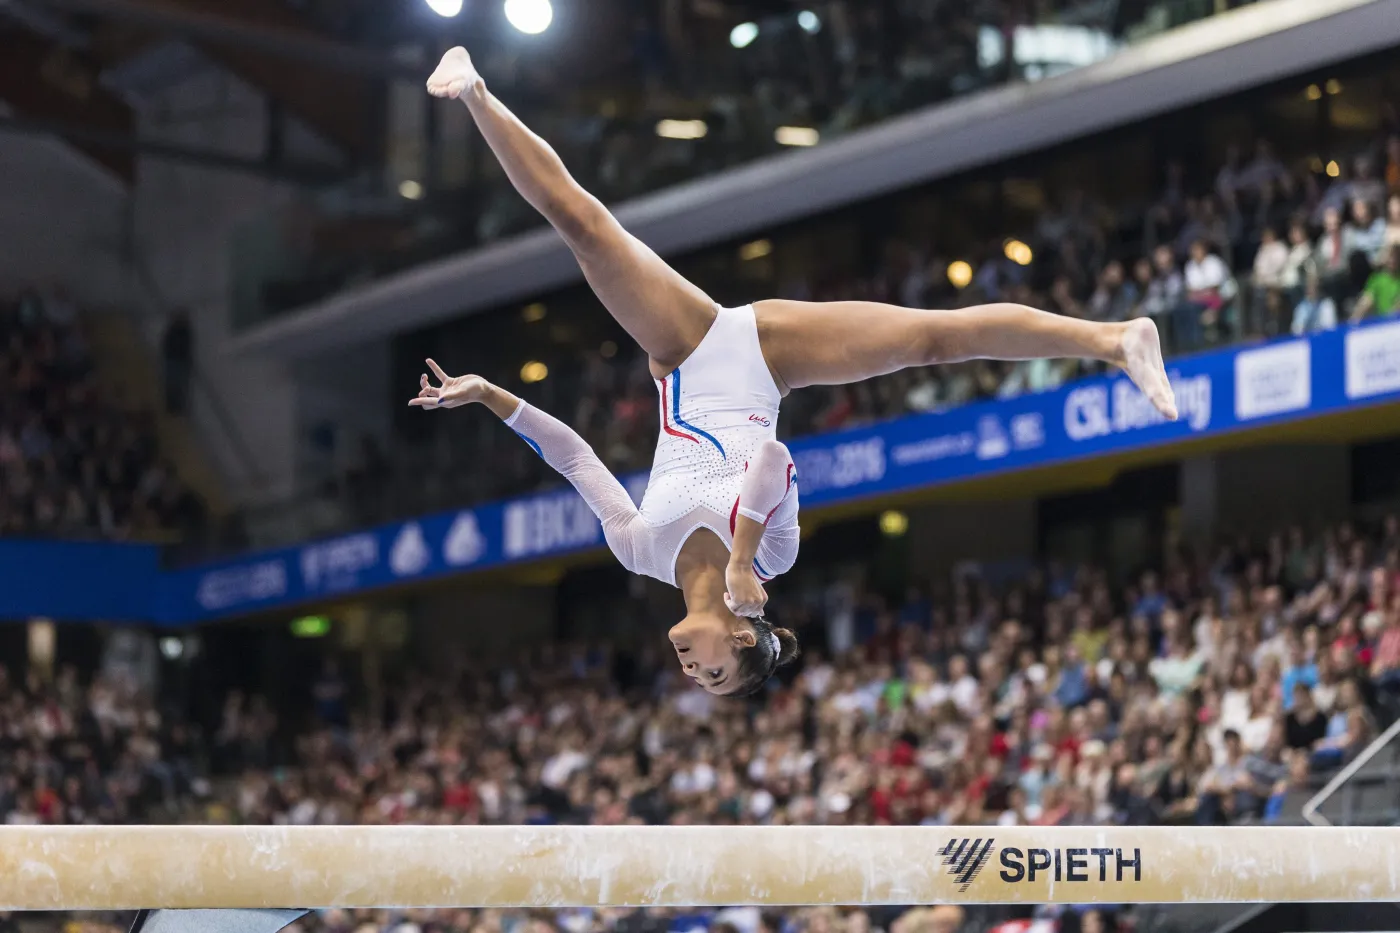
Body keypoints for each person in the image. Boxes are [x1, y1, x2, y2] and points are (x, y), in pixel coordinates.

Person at [413, 46, 1179, 696]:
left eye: (696, 683)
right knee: (934, 341)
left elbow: (576, 457)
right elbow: (774, 459)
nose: (689, 673)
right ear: (742, 642)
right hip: (766, 358)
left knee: (584, 228)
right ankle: (1115, 339)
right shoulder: (774, 557)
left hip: (685, 352)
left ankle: (476, 91)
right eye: (713, 677)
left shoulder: (639, 551)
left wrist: (489, 395)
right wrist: (743, 559)